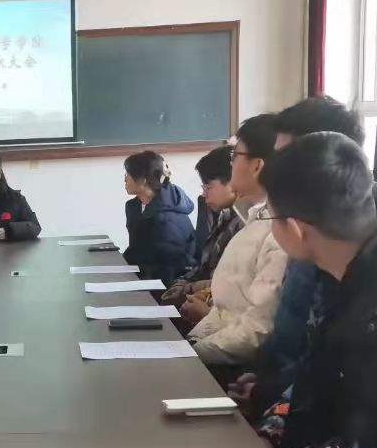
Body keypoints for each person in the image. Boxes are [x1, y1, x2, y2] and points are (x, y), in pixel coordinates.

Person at [257, 132, 377, 448]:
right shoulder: (347, 270)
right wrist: (272, 430)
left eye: (268, 216)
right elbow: (316, 374)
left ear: (296, 229)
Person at [228, 97, 367, 418]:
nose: (270, 170)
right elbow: (302, 348)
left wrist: (274, 410)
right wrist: (266, 386)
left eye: (281, 158)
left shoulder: (348, 251)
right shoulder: (324, 238)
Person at [187, 114, 288, 373]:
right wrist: (192, 344)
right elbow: (226, 309)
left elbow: (257, 329)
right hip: (214, 351)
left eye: (235, 156)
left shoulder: (279, 232)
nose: (231, 163)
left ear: (257, 166)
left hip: (237, 369)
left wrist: (191, 355)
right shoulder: (255, 218)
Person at [162, 145, 241, 320]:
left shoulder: (244, 224)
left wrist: (188, 289)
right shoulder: (223, 217)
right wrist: (182, 284)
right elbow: (204, 266)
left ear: (232, 183)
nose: (203, 195)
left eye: (208, 188)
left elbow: (230, 283)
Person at [121, 151, 196, 286]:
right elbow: (137, 250)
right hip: (147, 275)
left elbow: (168, 266)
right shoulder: (134, 207)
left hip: (172, 284)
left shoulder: (166, 218)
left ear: (143, 180)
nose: (125, 179)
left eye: (128, 175)